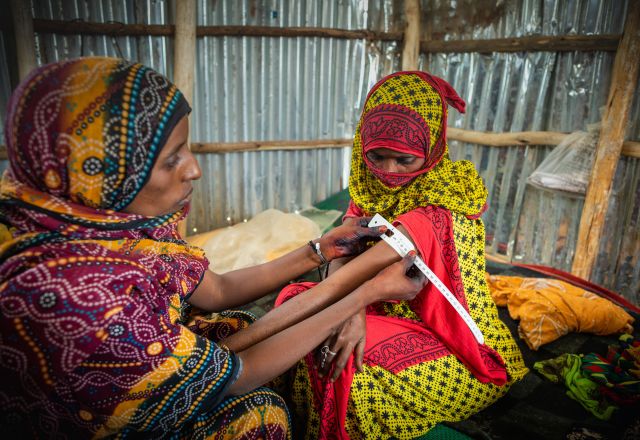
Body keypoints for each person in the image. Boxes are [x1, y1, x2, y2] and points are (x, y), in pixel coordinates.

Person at [0, 57, 427, 439]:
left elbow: (216, 291)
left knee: (238, 324)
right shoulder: (77, 298)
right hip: (90, 419)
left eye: (186, 147)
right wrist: (367, 293)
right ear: (102, 174)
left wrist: (318, 249)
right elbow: (237, 378)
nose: (195, 168)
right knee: (260, 417)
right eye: (171, 159)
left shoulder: (118, 225)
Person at [260, 71, 529, 439]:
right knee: (296, 307)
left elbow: (344, 280)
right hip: (373, 305)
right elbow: (345, 252)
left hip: (453, 342)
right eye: (377, 157)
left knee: (340, 362)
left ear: (432, 147)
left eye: (404, 160)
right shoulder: (369, 187)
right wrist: (351, 310)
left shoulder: (436, 209)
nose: (388, 173)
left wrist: (348, 308)